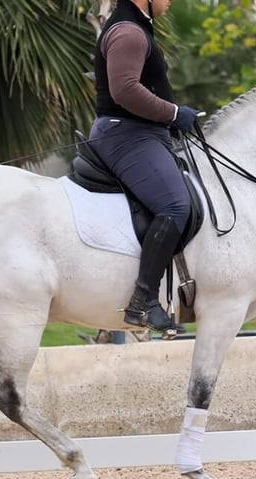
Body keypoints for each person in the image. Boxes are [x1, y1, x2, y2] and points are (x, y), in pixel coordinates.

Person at [88, 0, 200, 332]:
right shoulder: (129, 33)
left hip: (141, 133)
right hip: (127, 136)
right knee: (176, 204)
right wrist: (175, 113)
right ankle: (143, 302)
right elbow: (124, 90)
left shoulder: (136, 27)